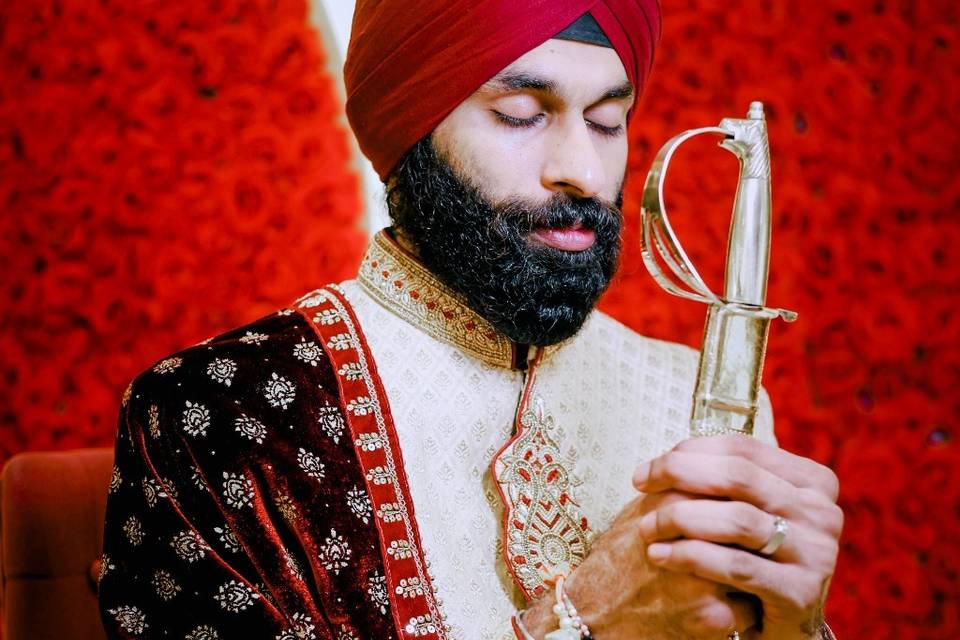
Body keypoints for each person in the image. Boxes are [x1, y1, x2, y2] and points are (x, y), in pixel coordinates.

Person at [99, 2, 843, 639]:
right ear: (410, 128)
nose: (582, 171)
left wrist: (793, 624)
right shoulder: (225, 415)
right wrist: (582, 618)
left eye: (608, 120)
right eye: (521, 114)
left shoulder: (696, 399)